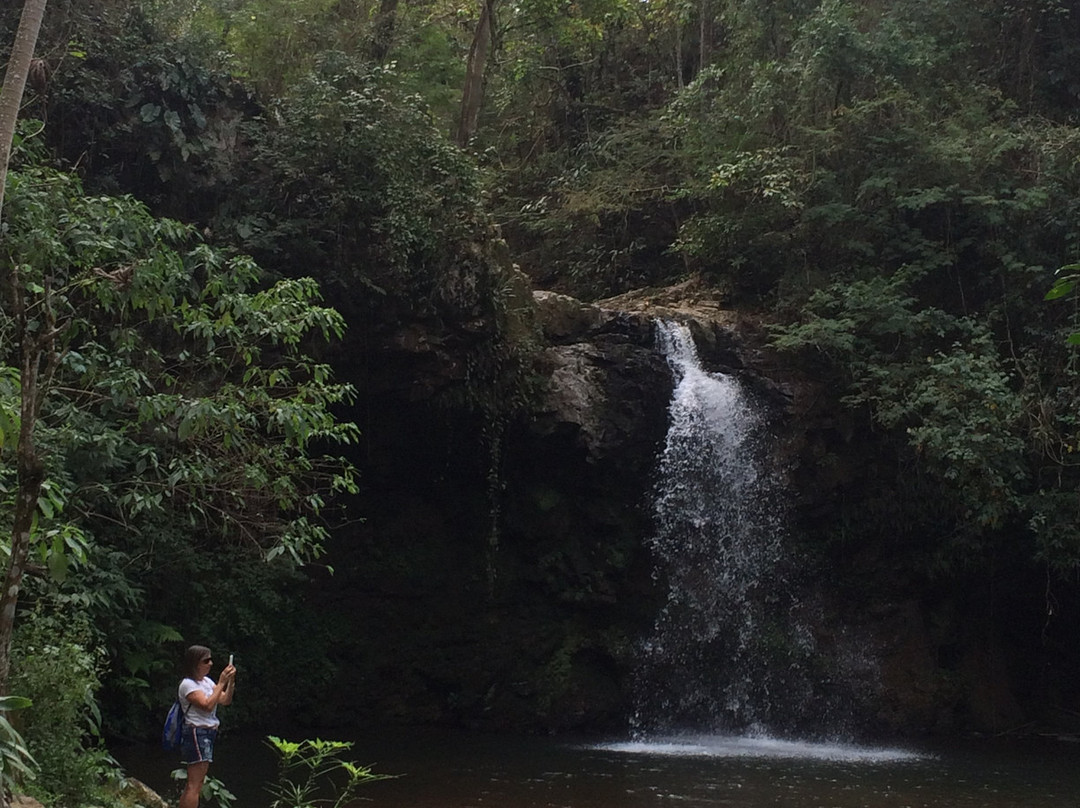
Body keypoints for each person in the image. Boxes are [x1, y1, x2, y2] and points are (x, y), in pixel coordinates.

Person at [177, 645, 236, 808]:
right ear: (195, 663)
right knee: (194, 785)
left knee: (195, 783)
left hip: (206, 733)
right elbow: (207, 705)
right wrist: (222, 681)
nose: (210, 663)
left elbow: (225, 700)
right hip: (197, 732)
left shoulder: (206, 682)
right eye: (206, 660)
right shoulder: (188, 684)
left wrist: (230, 683)